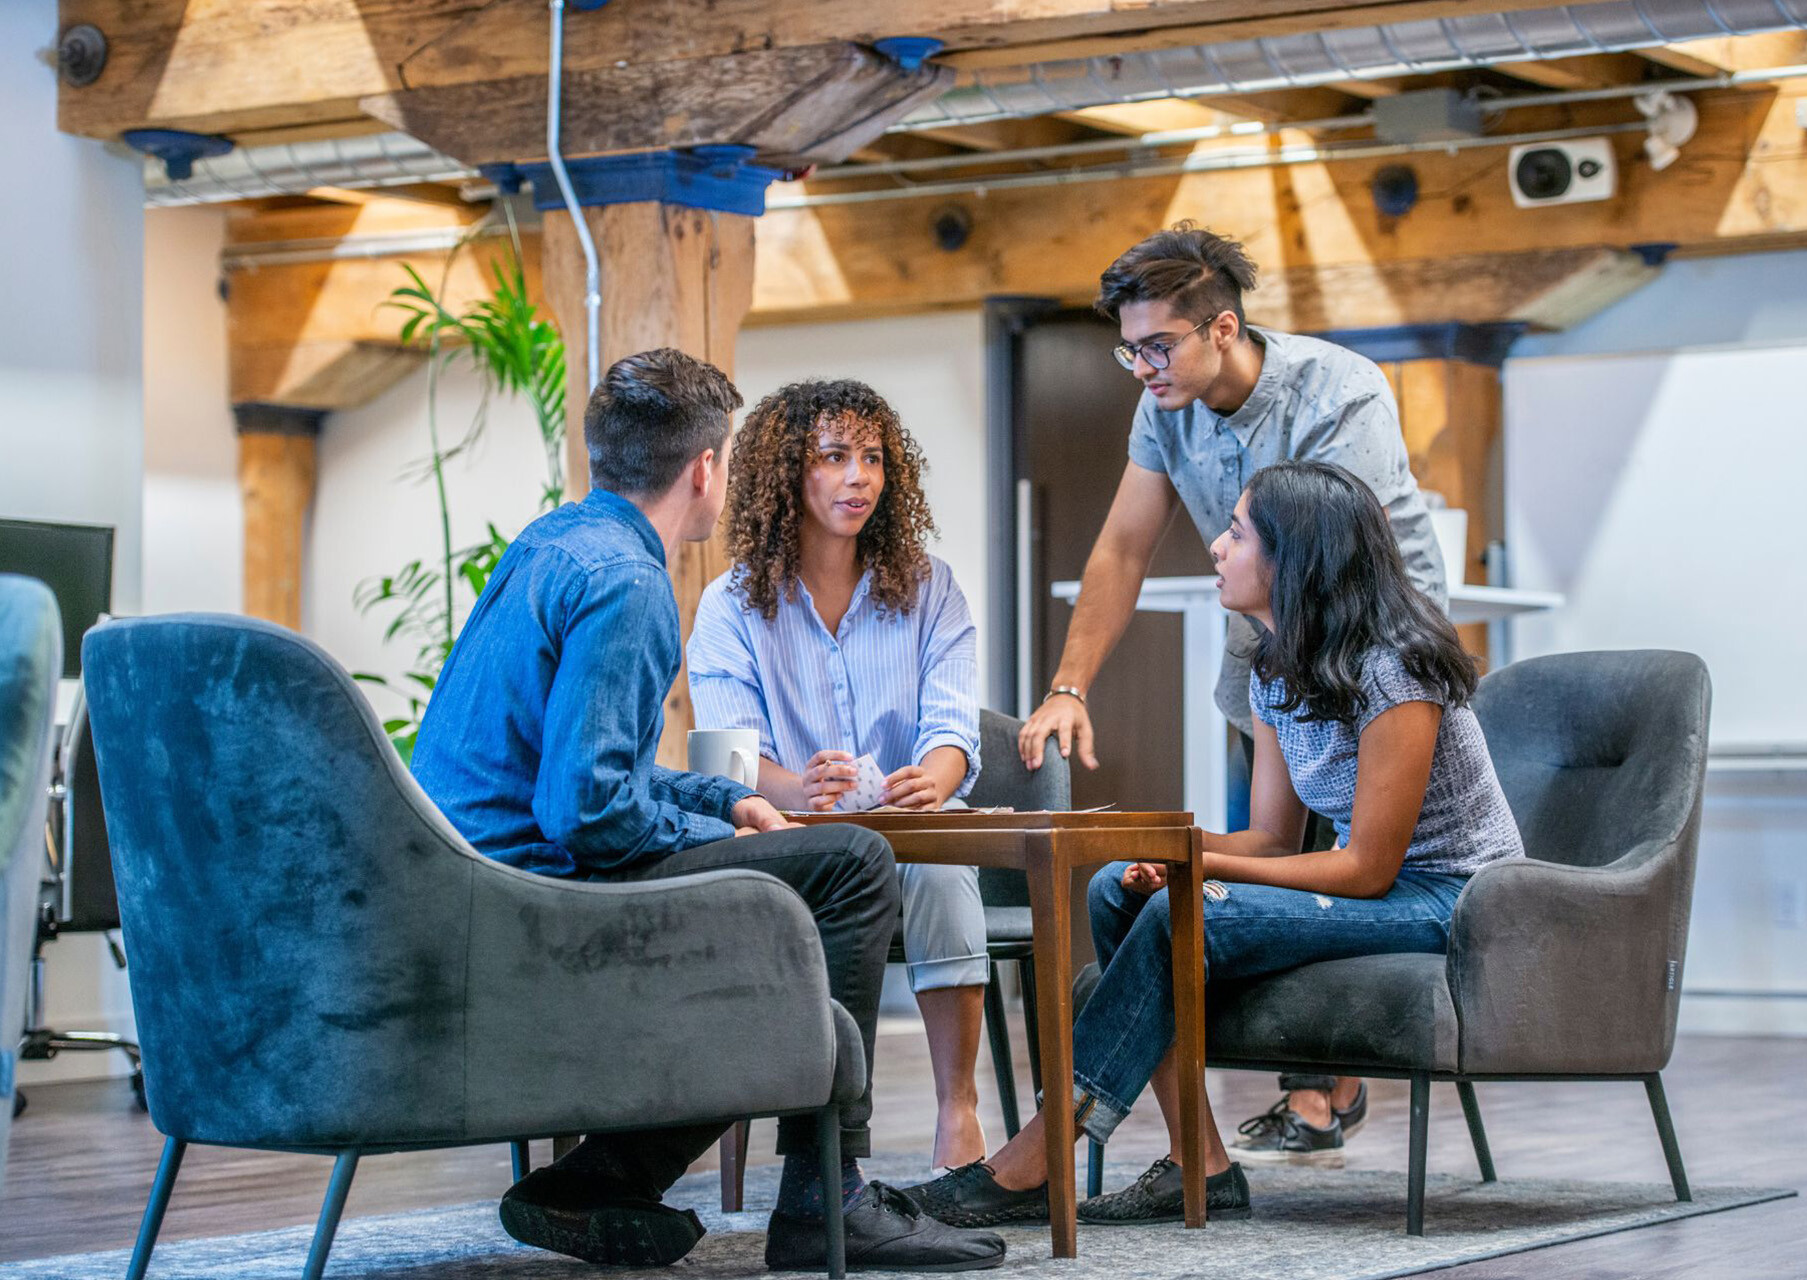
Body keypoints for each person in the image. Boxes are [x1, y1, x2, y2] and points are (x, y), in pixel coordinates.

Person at [409, 350, 1004, 1273]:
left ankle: (603, 1179)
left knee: (788, 902)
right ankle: (825, 1191)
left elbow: (593, 769)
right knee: (847, 865)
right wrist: (720, 828)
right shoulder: (633, 584)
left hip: (477, 881)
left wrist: (722, 795)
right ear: (707, 469)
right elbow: (587, 811)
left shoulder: (554, 545)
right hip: (535, 897)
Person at [904, 459, 1522, 1228]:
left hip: (1453, 896)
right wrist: (1165, 851)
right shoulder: (1273, 664)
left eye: (1237, 533)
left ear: (1294, 560)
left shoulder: (1395, 668)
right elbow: (1269, 837)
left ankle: (1039, 1151)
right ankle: (1201, 1163)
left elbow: (1368, 868)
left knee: (1180, 908)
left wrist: (1190, 865)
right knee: (1117, 892)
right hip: (1389, 885)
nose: (1217, 549)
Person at [1016, 222, 1448, 1160]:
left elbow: (1344, 557)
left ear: (1221, 328)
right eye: (1128, 349)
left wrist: (1203, 864)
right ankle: (1195, 1155)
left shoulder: (1336, 391)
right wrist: (1068, 685)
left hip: (1369, 642)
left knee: (1343, 851)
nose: (1142, 366)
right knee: (1263, 840)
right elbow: (1123, 547)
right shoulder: (1162, 407)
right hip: (1275, 644)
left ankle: (1318, 1084)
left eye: (1158, 345)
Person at [687, 379, 993, 1173]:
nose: (859, 476)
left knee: (942, 858)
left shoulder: (932, 588)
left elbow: (954, 724)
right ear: (787, 473)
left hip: (912, 826)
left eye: (872, 458)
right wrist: (795, 789)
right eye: (833, 457)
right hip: (793, 835)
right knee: (848, 860)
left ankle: (958, 1111)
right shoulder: (729, 606)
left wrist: (934, 775)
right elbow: (725, 759)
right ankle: (813, 1145)